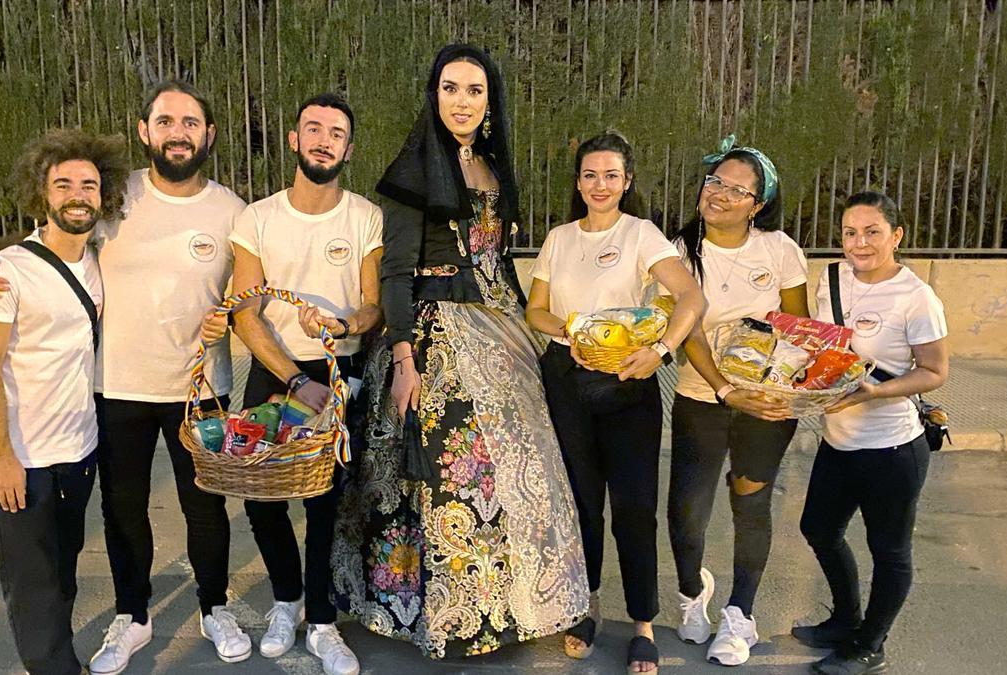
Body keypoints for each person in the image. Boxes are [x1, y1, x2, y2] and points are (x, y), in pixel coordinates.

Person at [0, 80, 252, 673]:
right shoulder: (113, 196)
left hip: (201, 389)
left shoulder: (233, 211)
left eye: (191, 122)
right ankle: (132, 615)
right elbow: (47, 244)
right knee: (125, 509)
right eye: (166, 121)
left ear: (209, 136)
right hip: (117, 387)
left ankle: (214, 605)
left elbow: (247, 291)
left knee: (205, 507)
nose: (179, 132)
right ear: (145, 131)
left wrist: (230, 317)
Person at [331, 43, 590, 660]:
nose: (462, 102)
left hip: (500, 331)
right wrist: (402, 358)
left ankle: (504, 608)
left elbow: (497, 260)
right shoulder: (412, 171)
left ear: (490, 100)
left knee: (513, 473)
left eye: (474, 90)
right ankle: (442, 615)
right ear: (434, 95)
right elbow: (395, 271)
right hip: (433, 336)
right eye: (450, 88)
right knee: (447, 476)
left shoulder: (496, 169)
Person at [525, 131, 706, 674]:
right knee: (580, 504)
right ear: (577, 183)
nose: (599, 185)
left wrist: (662, 350)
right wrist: (574, 331)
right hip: (567, 379)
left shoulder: (642, 234)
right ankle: (586, 606)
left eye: (610, 175)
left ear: (626, 182)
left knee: (634, 508)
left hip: (629, 382)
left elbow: (692, 297)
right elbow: (536, 311)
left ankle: (643, 623)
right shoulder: (558, 238)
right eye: (589, 175)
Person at [218, 92, 381, 675]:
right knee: (261, 499)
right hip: (276, 370)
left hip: (339, 371)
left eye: (335, 132)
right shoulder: (256, 218)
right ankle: (287, 600)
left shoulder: (365, 216)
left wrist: (343, 325)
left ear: (348, 148)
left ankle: (322, 624)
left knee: (324, 502)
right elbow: (246, 312)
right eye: (312, 128)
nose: (322, 139)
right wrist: (292, 381)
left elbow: (372, 307)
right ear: (293, 140)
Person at [0, 128, 126, 675]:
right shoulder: (6, 271)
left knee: (62, 567)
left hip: (75, 450)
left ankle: (54, 651)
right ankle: (54, 665)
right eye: (64, 184)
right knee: (31, 580)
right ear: (44, 194)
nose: (78, 194)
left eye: (89, 184)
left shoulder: (100, 261)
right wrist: (3, 456)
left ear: (103, 197)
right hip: (17, 457)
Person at [665, 136, 807, 666]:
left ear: (758, 203)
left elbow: (798, 328)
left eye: (734, 188)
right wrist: (727, 389)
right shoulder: (678, 252)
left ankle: (740, 614)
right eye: (714, 181)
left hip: (767, 406)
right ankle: (691, 592)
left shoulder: (779, 250)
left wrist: (777, 387)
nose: (718, 193)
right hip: (702, 398)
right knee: (686, 514)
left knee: (750, 508)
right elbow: (686, 332)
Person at [794, 191, 948, 675]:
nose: (859, 243)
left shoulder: (916, 296)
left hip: (892, 448)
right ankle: (846, 619)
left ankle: (870, 644)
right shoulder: (832, 278)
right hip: (837, 438)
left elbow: (934, 372)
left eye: (872, 232)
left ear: (896, 236)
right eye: (850, 233)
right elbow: (825, 343)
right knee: (818, 529)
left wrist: (873, 393)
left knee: (890, 550)